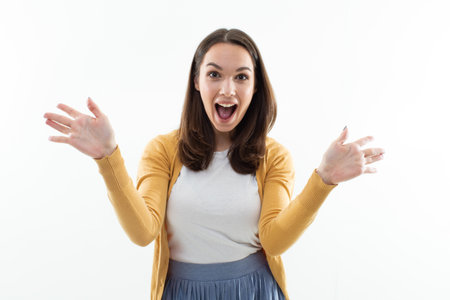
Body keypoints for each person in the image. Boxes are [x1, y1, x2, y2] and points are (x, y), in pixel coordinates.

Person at [43, 28, 385, 300]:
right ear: (196, 82)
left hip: (254, 291)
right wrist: (108, 157)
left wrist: (323, 179)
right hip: (182, 292)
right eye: (214, 74)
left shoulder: (274, 156)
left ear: (255, 88)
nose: (227, 89)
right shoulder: (162, 150)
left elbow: (275, 240)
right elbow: (143, 231)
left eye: (241, 77)